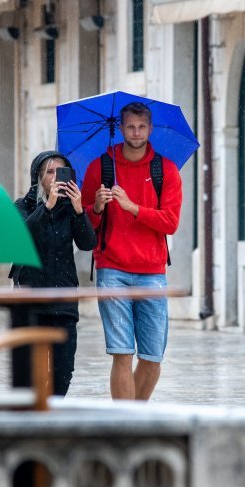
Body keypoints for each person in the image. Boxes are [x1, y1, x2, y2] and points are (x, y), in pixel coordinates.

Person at [80, 102, 182, 401]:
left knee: (152, 358)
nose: (136, 132)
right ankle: (124, 423)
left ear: (150, 129)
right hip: (111, 268)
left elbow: (171, 223)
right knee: (122, 353)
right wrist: (97, 206)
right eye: (130, 126)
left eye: (141, 126)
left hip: (152, 272)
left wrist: (132, 208)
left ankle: (130, 418)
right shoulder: (100, 167)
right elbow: (85, 224)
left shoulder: (166, 170)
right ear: (121, 128)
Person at [9, 151, 97, 396]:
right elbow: (22, 237)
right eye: (49, 171)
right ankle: (33, 418)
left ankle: (54, 414)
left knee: (63, 370)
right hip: (31, 299)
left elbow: (88, 243)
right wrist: (47, 207)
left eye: (60, 171)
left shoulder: (71, 208)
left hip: (64, 298)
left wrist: (80, 211)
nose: (55, 177)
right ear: (38, 176)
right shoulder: (23, 205)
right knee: (30, 370)